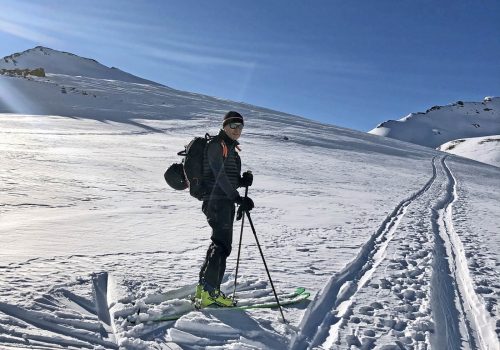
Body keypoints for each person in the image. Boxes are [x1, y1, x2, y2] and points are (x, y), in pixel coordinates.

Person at [195, 111, 254, 307]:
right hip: (216, 200)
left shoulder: (231, 149)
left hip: (223, 200)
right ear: (225, 126)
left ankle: (204, 289)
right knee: (222, 246)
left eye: (240, 127)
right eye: (233, 126)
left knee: (219, 244)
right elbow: (218, 176)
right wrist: (237, 198)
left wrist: (242, 181)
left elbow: (228, 178)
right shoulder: (216, 145)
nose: (237, 130)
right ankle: (211, 292)